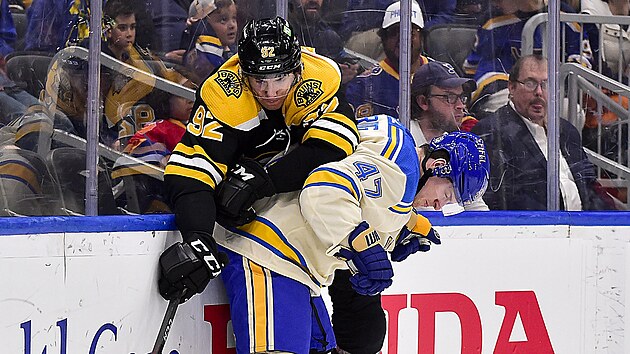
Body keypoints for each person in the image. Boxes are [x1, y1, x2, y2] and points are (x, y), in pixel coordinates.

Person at [157, 13, 359, 322]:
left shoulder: (320, 76)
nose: (269, 90)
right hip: (246, 221)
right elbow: (190, 174)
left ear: (297, 69)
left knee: (359, 306)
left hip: (310, 202)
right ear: (242, 72)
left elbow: (333, 149)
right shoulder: (223, 92)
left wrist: (262, 182)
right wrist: (197, 236)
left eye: (280, 77)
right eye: (259, 79)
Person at [471, 54, 616, 211]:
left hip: (581, 229)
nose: (539, 92)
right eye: (530, 83)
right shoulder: (492, 132)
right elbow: (499, 200)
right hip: (535, 231)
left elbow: (588, 187)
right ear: (511, 87)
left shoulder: (567, 131)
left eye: (546, 84)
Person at [463, 0, 591, 115]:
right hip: (504, 89)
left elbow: (582, 57)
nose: (494, 3)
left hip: (552, 92)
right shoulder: (492, 20)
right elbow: (475, 66)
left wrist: (561, 81)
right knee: (508, 109)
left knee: (573, 113)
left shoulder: (565, 16)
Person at [345, 0, 429, 119]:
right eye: (394, 33)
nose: (403, 39)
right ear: (383, 39)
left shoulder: (443, 77)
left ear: (422, 38)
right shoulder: (363, 85)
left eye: (411, 33)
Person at [181, 0, 238, 82]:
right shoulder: (199, 56)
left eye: (234, 18)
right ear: (203, 24)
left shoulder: (234, 51)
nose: (232, 25)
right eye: (223, 20)